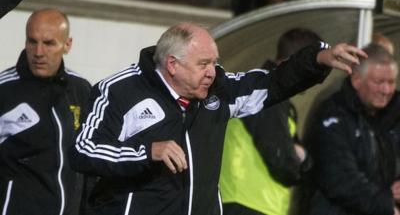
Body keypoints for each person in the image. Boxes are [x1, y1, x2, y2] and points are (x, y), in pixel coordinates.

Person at [70, 22, 366, 215]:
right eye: (204, 64)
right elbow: (83, 150)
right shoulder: (119, 90)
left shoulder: (217, 91)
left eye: (214, 62)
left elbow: (271, 83)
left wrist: (317, 58)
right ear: (173, 64)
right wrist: (147, 151)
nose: (213, 71)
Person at [219, 28, 322, 215]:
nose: (316, 79)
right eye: (313, 68)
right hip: (249, 204)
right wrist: (304, 163)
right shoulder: (267, 96)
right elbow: (282, 161)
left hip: (247, 201)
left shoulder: (260, 90)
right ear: (293, 64)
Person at [0, 8, 91, 215]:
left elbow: (89, 161)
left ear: (67, 45)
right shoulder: (4, 90)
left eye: (49, 43)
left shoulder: (81, 89)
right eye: (32, 41)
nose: (39, 52)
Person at [296, 43, 400, 215]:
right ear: (356, 80)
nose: (386, 90)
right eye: (379, 82)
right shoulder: (333, 117)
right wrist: (386, 206)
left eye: (391, 82)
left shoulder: (395, 117)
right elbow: (340, 179)